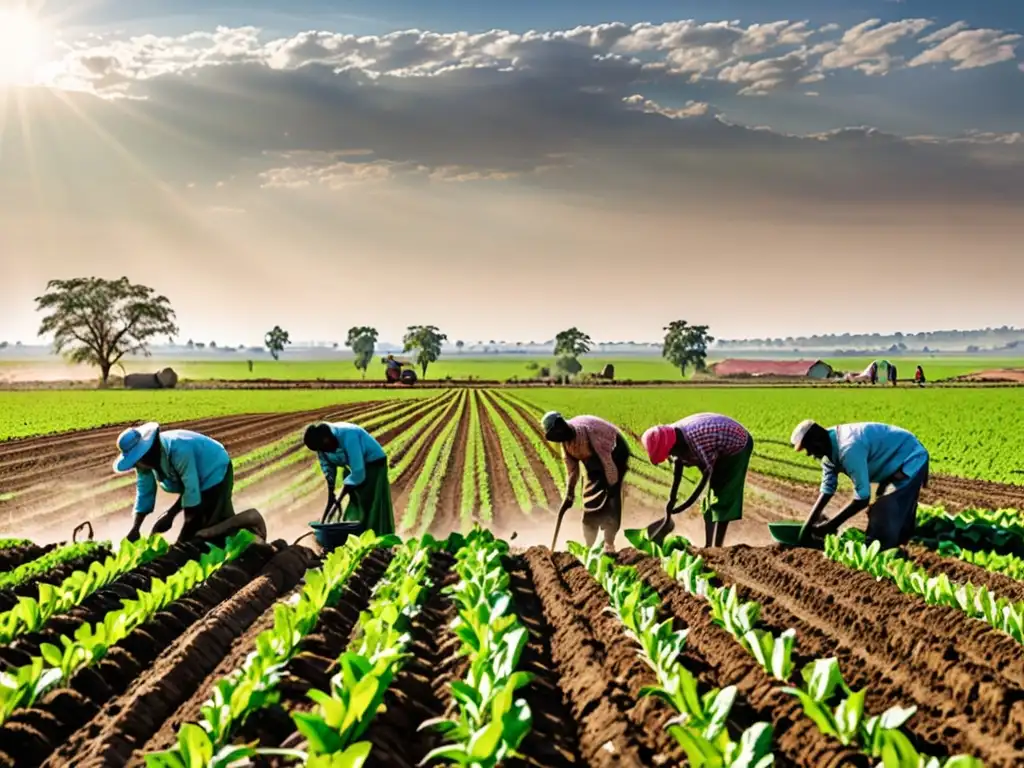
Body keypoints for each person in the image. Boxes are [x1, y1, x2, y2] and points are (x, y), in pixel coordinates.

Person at [791, 419, 929, 549]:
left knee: (884, 512)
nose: (809, 454)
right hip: (885, 466)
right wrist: (807, 527)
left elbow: (862, 499)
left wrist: (831, 525)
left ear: (817, 440)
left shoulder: (848, 449)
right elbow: (827, 490)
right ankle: (905, 540)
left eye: (808, 448)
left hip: (909, 458)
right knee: (882, 514)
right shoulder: (827, 453)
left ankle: (894, 553)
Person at [114, 423, 262, 543]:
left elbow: (192, 493)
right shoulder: (144, 464)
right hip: (194, 480)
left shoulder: (179, 450)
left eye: (137, 461)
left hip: (214, 468)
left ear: (147, 453)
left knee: (211, 525)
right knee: (201, 529)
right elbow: (144, 494)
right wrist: (135, 529)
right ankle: (239, 536)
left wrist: (181, 541)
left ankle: (250, 530)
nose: (136, 466)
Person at [642, 413, 754, 548]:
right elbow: (678, 467)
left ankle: (717, 547)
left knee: (721, 499)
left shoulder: (696, 440)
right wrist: (671, 504)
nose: (669, 456)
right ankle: (708, 545)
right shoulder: (671, 435)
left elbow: (707, 473)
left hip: (737, 445)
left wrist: (688, 502)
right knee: (708, 504)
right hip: (716, 444)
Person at [541, 411, 629, 553]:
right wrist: (569, 494)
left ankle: (609, 544)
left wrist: (612, 486)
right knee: (590, 498)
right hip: (593, 460)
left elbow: (608, 462)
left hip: (614, 452)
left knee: (611, 499)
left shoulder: (589, 432)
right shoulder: (566, 444)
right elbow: (572, 472)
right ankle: (590, 545)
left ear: (561, 426)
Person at [303, 421, 395, 535]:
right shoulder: (321, 445)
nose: (327, 450)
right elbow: (326, 465)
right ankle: (356, 530)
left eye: (327, 447)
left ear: (330, 438)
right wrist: (331, 489)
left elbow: (358, 471)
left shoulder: (349, 435)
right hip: (353, 465)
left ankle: (376, 535)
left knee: (370, 500)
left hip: (374, 463)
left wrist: (342, 493)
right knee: (356, 500)